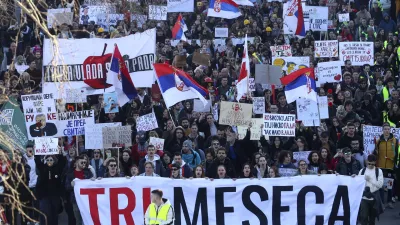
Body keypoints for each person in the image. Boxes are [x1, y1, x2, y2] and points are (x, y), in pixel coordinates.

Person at [35, 152, 66, 225]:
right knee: (44, 213)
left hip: (55, 196)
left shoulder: (57, 169)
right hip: (44, 196)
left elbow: (62, 163)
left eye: (51, 160)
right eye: (48, 160)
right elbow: (38, 162)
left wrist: (61, 153)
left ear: (54, 161)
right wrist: (36, 153)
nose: (49, 161)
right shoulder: (42, 169)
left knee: (54, 214)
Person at [374, 122, 397, 209]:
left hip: (390, 166)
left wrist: (395, 163)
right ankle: (382, 203)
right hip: (380, 165)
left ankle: (389, 201)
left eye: (388, 129)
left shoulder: (395, 140)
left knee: (390, 185)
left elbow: (397, 154)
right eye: (385, 129)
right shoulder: (378, 141)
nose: (387, 131)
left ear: (390, 130)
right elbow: (376, 153)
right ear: (382, 130)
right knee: (381, 185)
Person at [358, 154, 384, 225]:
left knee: (372, 219)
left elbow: (380, 185)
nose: (370, 165)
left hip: (374, 198)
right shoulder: (362, 171)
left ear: (375, 162)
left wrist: (370, 180)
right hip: (364, 198)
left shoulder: (379, 171)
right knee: (363, 217)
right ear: (366, 161)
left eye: (372, 164)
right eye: (369, 163)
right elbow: (358, 184)